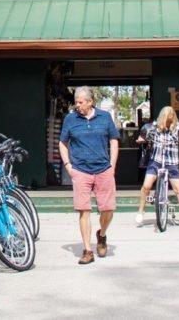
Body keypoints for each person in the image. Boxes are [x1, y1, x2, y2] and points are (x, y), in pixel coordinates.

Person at [58, 86, 119, 265]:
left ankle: (101, 234)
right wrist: (68, 165)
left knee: (108, 209)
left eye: (81, 102)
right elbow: (63, 143)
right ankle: (87, 250)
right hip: (80, 170)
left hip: (103, 169)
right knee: (84, 210)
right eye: (76, 102)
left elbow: (113, 141)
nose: (78, 106)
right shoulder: (70, 119)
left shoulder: (105, 117)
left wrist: (112, 166)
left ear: (90, 102)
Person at [135, 106, 179, 228]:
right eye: (167, 118)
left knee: (178, 190)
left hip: (171, 162)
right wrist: (141, 139)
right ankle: (141, 211)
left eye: (170, 118)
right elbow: (144, 135)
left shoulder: (177, 126)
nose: (168, 121)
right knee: (146, 186)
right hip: (156, 161)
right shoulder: (155, 126)